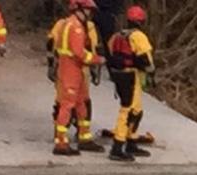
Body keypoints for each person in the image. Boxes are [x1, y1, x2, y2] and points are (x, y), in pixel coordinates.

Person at [49, 0, 106, 156]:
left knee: (82, 102)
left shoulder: (70, 24)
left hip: (74, 69)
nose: (90, 13)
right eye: (88, 10)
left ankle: (84, 137)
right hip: (70, 69)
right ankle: (60, 143)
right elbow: (79, 53)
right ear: (79, 9)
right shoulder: (76, 28)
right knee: (67, 104)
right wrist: (97, 59)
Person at [106, 4, 155, 162]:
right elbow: (145, 59)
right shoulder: (138, 36)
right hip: (130, 76)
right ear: (141, 21)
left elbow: (110, 51)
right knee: (127, 111)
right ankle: (117, 147)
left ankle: (131, 142)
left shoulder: (117, 36)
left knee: (137, 110)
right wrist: (151, 74)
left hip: (119, 75)